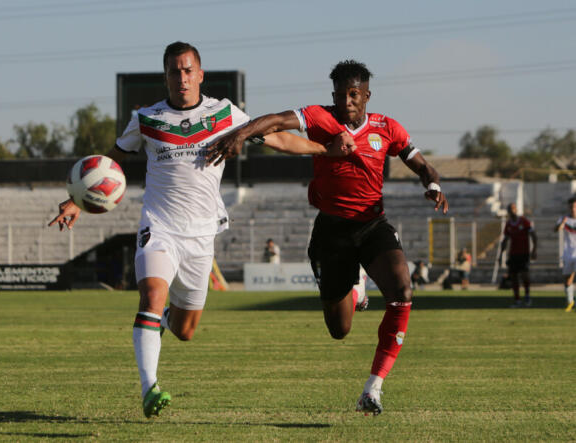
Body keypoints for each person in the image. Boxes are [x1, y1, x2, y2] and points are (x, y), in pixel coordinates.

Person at [49, 41, 353, 419]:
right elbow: (110, 163)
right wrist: (76, 199)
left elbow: (276, 138)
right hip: (159, 227)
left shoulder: (225, 113)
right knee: (151, 297)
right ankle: (149, 388)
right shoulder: (146, 118)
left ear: (200, 74)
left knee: (186, 329)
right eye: (175, 71)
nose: (182, 78)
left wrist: (325, 151)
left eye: (188, 70)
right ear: (166, 77)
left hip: (201, 235)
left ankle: (160, 323)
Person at [206, 59, 449, 415]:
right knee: (339, 330)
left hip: (371, 224)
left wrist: (432, 184)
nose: (346, 102)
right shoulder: (321, 117)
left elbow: (423, 164)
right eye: (340, 95)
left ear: (367, 95)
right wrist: (241, 133)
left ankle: (373, 388)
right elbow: (275, 121)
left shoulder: (387, 127)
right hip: (332, 232)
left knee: (402, 291)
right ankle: (355, 284)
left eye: (354, 95)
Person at [499, 203, 537, 308]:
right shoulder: (509, 224)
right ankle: (517, 299)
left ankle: (527, 296)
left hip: (524, 253)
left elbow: (533, 235)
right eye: (510, 209)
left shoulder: (524, 221)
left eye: (513, 209)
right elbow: (505, 240)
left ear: (516, 209)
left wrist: (534, 250)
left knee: (525, 275)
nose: (512, 211)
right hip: (513, 254)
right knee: (514, 276)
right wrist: (501, 254)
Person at [554, 196, 576, 312]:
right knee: (568, 280)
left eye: (575, 206)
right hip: (568, 253)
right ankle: (570, 302)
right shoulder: (564, 219)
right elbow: (555, 229)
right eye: (571, 206)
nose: (573, 208)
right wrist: (560, 224)